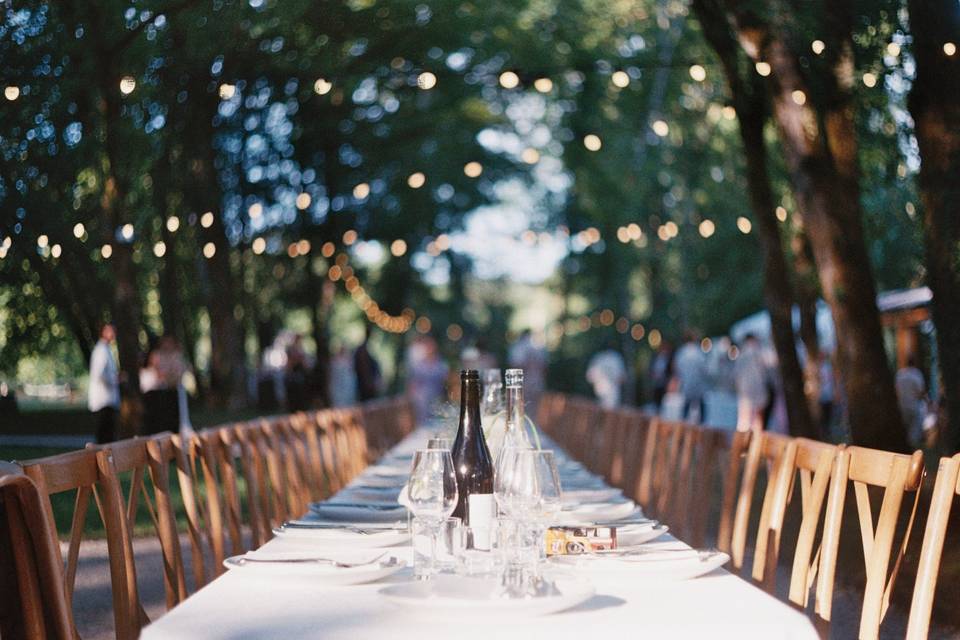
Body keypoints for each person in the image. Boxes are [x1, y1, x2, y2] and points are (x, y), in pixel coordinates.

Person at [89, 323, 120, 443]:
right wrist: (115, 379)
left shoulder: (107, 349)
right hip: (103, 400)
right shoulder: (101, 350)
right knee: (104, 434)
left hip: (109, 401)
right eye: (110, 331)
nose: (113, 334)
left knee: (109, 433)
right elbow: (99, 374)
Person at [406, 335, 448, 422]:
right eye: (427, 346)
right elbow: (413, 382)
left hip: (437, 398)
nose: (429, 348)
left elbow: (446, 382)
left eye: (431, 345)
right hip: (421, 401)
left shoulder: (441, 364)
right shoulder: (419, 364)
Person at [734, 334, 768, 432]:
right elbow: (767, 370)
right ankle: (755, 442)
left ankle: (742, 442)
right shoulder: (760, 353)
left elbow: (736, 373)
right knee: (757, 419)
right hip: (758, 388)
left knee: (744, 419)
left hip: (745, 390)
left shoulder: (742, 354)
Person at [672, 330, 707, 423]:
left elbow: (677, 369)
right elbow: (704, 369)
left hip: (686, 384)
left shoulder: (681, 352)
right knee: (701, 408)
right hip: (698, 384)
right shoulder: (698, 352)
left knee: (686, 407)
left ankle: (682, 427)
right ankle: (702, 428)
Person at [508, 329, 548, 411]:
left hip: (525, 382)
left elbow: (514, 367)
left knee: (522, 407)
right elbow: (544, 368)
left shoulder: (518, 347)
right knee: (532, 407)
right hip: (536, 382)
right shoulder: (540, 348)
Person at [895, 356, 926, 446]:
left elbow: (896, 390)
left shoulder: (900, 374)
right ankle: (913, 448)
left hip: (901, 405)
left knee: (905, 428)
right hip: (914, 405)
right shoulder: (916, 374)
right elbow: (921, 391)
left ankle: (903, 446)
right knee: (914, 429)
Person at [354, 324, 382, 402]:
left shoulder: (365, 349)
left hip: (367, 384)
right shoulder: (362, 350)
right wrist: (369, 383)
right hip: (365, 385)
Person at [285, 333, 310, 411]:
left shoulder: (301, 350)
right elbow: (289, 365)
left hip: (300, 376)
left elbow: (305, 365)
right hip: (294, 377)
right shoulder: (291, 350)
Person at [648, 340, 675, 409]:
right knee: (656, 401)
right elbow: (651, 369)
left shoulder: (669, 358)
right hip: (656, 383)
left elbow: (671, 371)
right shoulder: (655, 357)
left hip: (665, 383)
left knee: (664, 402)